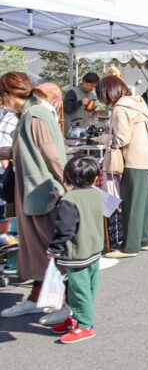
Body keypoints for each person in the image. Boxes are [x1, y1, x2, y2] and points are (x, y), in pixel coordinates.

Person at [0, 73, 68, 323]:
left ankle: (67, 306)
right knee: (39, 252)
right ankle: (37, 299)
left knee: (52, 252)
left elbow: (52, 157)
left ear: (7, 95)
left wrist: (70, 187)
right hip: (34, 194)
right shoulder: (30, 113)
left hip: (43, 195)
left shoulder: (34, 115)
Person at [96, 75, 148, 259]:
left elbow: (122, 138)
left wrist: (105, 139)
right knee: (143, 203)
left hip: (135, 159)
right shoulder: (137, 103)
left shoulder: (121, 108)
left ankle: (130, 246)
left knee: (132, 203)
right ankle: (143, 240)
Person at [46, 155, 104, 344]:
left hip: (77, 253)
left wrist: (53, 249)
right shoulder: (96, 193)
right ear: (95, 178)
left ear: (68, 178)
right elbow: (83, 212)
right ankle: (78, 318)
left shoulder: (70, 199)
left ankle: (85, 325)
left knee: (77, 289)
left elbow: (65, 228)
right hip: (94, 248)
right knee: (89, 287)